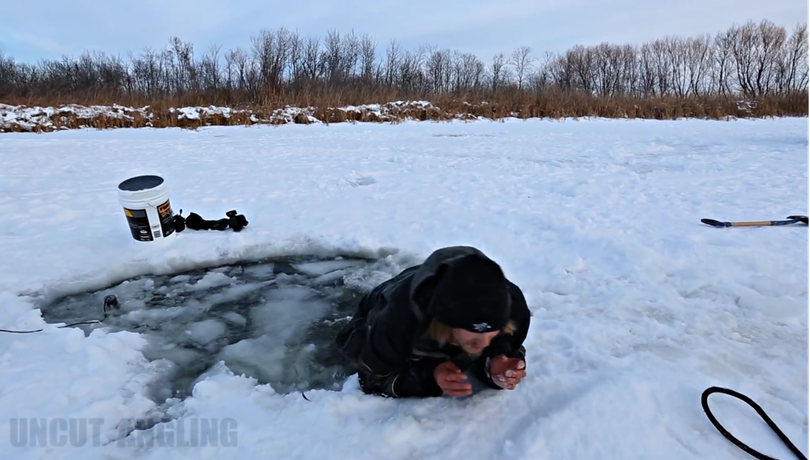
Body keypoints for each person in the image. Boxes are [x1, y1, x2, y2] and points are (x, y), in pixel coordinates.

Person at [335, 246, 531, 398]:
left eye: (493, 331)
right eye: (473, 333)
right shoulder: (398, 322)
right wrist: (431, 378)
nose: (484, 343)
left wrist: (497, 360)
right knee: (345, 355)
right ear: (449, 321)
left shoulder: (513, 311)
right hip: (385, 302)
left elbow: (505, 343)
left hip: (441, 296)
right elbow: (371, 380)